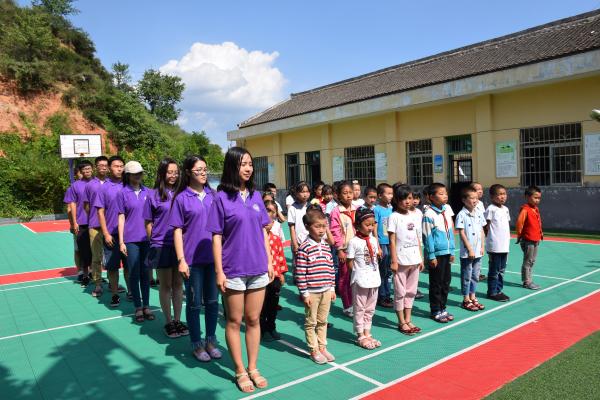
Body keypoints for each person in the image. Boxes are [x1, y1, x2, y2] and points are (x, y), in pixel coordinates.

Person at [206, 147, 273, 393]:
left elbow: (264, 231)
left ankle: (253, 367)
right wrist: (219, 271)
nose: (248, 168)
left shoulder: (256, 196)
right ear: (232, 166)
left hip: (258, 268)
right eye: (243, 164)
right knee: (234, 320)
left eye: (250, 164)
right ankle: (239, 370)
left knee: (254, 319)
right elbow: (216, 237)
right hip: (232, 269)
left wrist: (269, 261)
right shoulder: (221, 197)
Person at [172, 156, 222, 360]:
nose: (203, 173)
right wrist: (181, 260)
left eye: (205, 169)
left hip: (213, 259)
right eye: (198, 170)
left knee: (212, 302)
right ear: (188, 172)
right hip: (192, 261)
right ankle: (196, 344)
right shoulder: (181, 198)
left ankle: (210, 341)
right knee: (194, 304)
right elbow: (177, 231)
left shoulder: (214, 195)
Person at [144, 158, 187, 337]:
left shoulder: (183, 193)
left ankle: (177, 320)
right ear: (162, 173)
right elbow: (148, 223)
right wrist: (154, 242)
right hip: (161, 246)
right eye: (170, 172)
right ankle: (168, 322)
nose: (173, 175)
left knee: (178, 284)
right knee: (166, 285)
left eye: (176, 172)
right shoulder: (153, 195)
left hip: (179, 246)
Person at [295, 209, 336, 364]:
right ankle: (313, 349)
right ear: (307, 227)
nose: (321, 230)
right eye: (317, 226)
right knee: (311, 322)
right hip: (312, 292)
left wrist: (332, 288)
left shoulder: (325, 246)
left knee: (323, 320)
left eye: (324, 226)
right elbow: (300, 272)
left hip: (326, 290)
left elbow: (331, 268)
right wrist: (304, 293)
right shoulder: (304, 247)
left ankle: (322, 346)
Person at [117, 161, 153, 322]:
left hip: (147, 239)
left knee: (145, 273)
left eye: (140, 172)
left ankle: (146, 306)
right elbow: (121, 217)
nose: (138, 175)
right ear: (128, 175)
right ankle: (138, 307)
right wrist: (121, 242)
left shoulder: (149, 192)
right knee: (134, 273)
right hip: (130, 239)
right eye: (134, 173)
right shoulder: (122, 193)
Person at [388, 184, 424, 334]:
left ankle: (408, 319)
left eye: (409, 198)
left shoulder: (414, 215)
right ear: (397, 200)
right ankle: (401, 321)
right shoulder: (394, 217)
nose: (407, 201)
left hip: (414, 259)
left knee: (411, 291)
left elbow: (417, 237)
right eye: (404, 199)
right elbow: (392, 240)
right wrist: (394, 260)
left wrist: (421, 257)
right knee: (400, 292)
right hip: (401, 261)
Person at [95, 155, 130, 307]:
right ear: (109, 168)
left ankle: (131, 291)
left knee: (129, 265)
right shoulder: (103, 188)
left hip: (129, 235)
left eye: (121, 166)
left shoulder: (129, 185)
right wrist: (106, 234)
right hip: (112, 235)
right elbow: (100, 212)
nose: (119, 169)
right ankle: (115, 294)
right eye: (116, 166)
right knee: (112, 267)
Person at [347, 207, 382, 349]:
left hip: (374, 279)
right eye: (367, 224)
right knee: (359, 308)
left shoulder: (373, 240)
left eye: (372, 224)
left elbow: (375, 256)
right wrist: (358, 273)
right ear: (357, 225)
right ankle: (360, 335)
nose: (370, 227)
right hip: (361, 280)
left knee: (370, 308)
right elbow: (350, 262)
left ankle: (368, 333)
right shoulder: (354, 242)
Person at [422, 182, 456, 323]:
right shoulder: (428, 214)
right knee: (436, 283)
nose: (445, 196)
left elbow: (451, 232)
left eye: (445, 193)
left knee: (446, 282)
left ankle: (443, 308)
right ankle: (435, 310)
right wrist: (431, 255)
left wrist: (452, 250)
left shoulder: (446, 210)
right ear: (431, 197)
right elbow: (427, 236)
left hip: (447, 252)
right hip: (436, 254)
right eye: (441, 194)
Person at [260, 200, 288, 341]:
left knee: (273, 304)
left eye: (270, 221)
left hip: (275, 277)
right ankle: (262, 329)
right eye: (265, 221)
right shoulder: (257, 239)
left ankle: (272, 326)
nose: (267, 223)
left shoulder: (276, 239)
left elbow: (281, 257)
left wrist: (282, 274)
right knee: (262, 305)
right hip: (261, 277)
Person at [455, 187, 486, 312]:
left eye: (476, 198)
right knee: (467, 276)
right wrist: (470, 249)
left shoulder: (479, 212)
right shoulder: (461, 215)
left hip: (478, 251)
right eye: (472, 198)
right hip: (467, 253)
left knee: (475, 275)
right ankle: (466, 299)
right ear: (464, 200)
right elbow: (462, 233)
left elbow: (482, 230)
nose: (475, 200)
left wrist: (482, 246)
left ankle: (473, 297)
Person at [330, 181, 357, 317]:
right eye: (345, 193)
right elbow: (335, 231)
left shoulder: (357, 209)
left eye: (350, 192)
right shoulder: (336, 212)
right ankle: (347, 305)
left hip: (357, 249)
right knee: (345, 277)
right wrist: (340, 249)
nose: (348, 196)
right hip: (345, 250)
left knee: (356, 277)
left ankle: (356, 303)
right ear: (338, 196)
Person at [65, 160, 94, 286]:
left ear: (92, 169)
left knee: (96, 252)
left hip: (97, 223)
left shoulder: (98, 183)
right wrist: (74, 223)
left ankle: (95, 275)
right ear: (81, 171)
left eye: (89, 168)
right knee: (82, 251)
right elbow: (71, 206)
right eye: (84, 169)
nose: (87, 171)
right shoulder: (75, 186)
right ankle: (85, 275)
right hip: (82, 223)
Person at [85, 156, 110, 297]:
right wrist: (95, 217)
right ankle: (98, 284)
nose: (103, 167)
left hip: (111, 227)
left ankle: (113, 283)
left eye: (106, 165)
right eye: (101, 165)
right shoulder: (90, 185)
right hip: (95, 226)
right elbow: (86, 206)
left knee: (112, 257)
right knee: (96, 257)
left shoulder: (112, 184)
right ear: (96, 167)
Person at [484, 184, 511, 302]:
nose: (502, 196)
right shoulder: (491, 209)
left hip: (504, 245)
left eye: (504, 194)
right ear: (492, 196)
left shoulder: (505, 209)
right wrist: (489, 240)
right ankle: (492, 292)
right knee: (494, 270)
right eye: (499, 194)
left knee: (501, 270)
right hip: (494, 246)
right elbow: (486, 226)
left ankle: (499, 290)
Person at [516, 185, 543, 290]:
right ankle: (526, 282)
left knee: (532, 261)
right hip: (528, 240)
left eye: (539, 198)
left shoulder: (535, 209)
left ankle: (529, 280)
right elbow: (520, 223)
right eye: (535, 197)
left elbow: (538, 223)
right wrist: (519, 236)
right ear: (527, 197)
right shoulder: (525, 210)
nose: (537, 200)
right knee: (528, 261)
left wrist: (540, 234)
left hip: (535, 239)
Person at [374, 183, 393, 308]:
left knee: (388, 271)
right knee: (382, 270)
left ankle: (387, 294)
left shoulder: (391, 209)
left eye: (392, 194)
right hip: (382, 243)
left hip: (391, 242)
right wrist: (377, 245)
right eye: (388, 193)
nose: (391, 196)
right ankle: (381, 296)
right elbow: (374, 228)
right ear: (380, 195)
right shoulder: (376, 209)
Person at [288, 181, 311, 261]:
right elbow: (292, 227)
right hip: (298, 242)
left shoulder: (311, 207)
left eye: (307, 191)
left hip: (311, 240)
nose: (305, 194)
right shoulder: (292, 208)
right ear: (297, 193)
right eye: (302, 192)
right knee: (298, 263)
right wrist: (294, 244)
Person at [471, 182, 487, 282]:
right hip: (473, 232)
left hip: (480, 231)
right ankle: (473, 273)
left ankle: (477, 272)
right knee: (473, 253)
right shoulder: (470, 203)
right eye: (477, 189)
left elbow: (483, 217)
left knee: (480, 252)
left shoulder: (480, 203)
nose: (480, 191)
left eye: (481, 189)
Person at [411, 190, 425, 300]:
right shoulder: (406, 213)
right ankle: (411, 289)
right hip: (409, 243)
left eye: (417, 198)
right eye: (413, 198)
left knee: (417, 266)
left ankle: (414, 288)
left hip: (419, 243)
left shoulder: (419, 212)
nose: (415, 201)